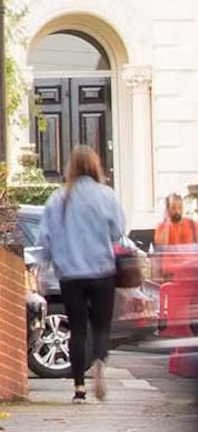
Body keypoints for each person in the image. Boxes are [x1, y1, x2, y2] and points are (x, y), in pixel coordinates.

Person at [44, 146, 127, 402]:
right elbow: (118, 231)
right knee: (101, 327)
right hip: (102, 271)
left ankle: (79, 387)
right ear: (95, 167)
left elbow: (46, 238)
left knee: (77, 329)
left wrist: (44, 266)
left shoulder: (58, 198)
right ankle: (100, 363)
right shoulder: (106, 195)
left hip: (70, 275)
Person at [156, 193, 195, 340]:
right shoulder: (162, 227)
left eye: (179, 207)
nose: (177, 211)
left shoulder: (190, 224)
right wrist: (167, 222)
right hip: (172, 272)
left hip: (189, 271)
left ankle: (184, 328)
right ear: (167, 210)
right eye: (173, 208)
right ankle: (176, 328)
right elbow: (162, 245)